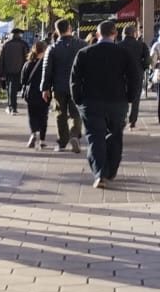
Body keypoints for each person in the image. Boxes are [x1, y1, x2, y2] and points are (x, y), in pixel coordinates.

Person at [70, 20, 142, 189]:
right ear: (115, 34)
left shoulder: (85, 53)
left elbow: (74, 79)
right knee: (115, 136)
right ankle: (110, 171)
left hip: (92, 102)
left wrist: (78, 99)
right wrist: (130, 97)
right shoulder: (124, 54)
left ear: (97, 34)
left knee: (95, 137)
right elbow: (135, 78)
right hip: (117, 102)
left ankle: (99, 173)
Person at [41, 18, 86, 154]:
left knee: (60, 114)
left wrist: (45, 88)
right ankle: (74, 135)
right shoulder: (82, 45)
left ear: (57, 31)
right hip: (77, 85)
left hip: (58, 86)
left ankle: (62, 143)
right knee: (76, 112)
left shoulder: (52, 48)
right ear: (70, 29)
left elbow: (47, 69)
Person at [119, 23, 151, 129]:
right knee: (136, 99)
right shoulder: (141, 45)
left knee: (122, 97)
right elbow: (147, 60)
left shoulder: (118, 45)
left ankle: (122, 117)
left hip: (122, 75)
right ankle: (133, 120)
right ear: (134, 33)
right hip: (137, 74)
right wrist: (143, 67)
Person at [21, 40, 50, 149]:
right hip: (44, 93)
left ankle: (33, 134)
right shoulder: (47, 64)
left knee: (32, 115)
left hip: (31, 93)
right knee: (43, 116)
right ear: (45, 50)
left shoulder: (28, 64)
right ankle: (42, 140)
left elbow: (23, 80)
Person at [0, 27, 29, 115]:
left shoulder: (6, 44)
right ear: (19, 35)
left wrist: (0, 72)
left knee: (10, 89)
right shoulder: (24, 44)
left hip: (9, 71)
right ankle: (12, 107)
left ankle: (12, 107)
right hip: (21, 70)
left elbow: (1, 59)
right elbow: (27, 58)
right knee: (15, 89)